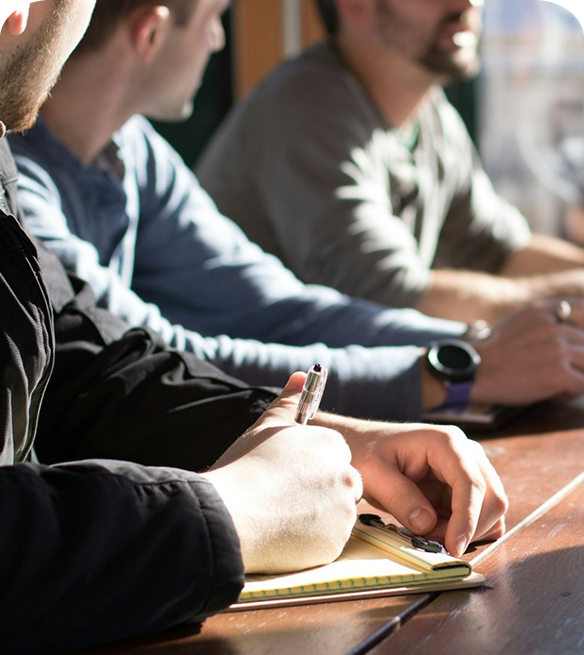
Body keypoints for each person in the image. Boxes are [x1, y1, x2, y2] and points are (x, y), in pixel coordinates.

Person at [0, 1, 506, 655]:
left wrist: (328, 437)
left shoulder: (89, 151)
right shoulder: (308, 104)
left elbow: (82, 365)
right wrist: (230, 509)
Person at [11, 0, 584, 421]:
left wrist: (476, 344)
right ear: (151, 33)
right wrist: (456, 368)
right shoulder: (18, 185)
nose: (218, 41)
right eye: (217, 18)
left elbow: (275, 306)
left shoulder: (130, 149)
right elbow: (154, 362)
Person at [197, 0, 584, 325]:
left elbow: (498, 251)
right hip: (260, 400)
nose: (468, 3)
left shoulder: (429, 112)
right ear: (356, 5)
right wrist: (565, 304)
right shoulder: (305, 108)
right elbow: (390, 298)